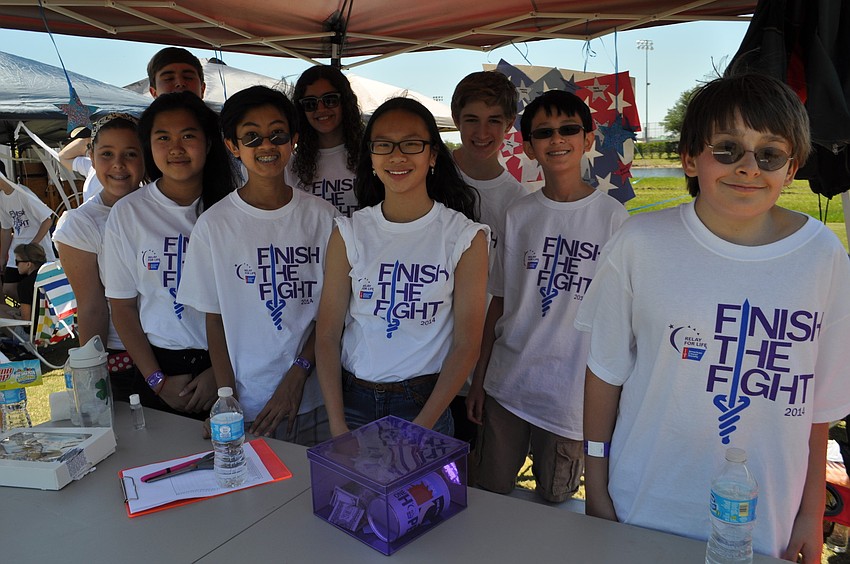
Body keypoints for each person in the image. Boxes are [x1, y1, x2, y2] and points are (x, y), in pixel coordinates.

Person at [576, 73, 850, 562]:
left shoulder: (823, 256)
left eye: (770, 154)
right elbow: (604, 374)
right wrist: (595, 489)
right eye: (727, 149)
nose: (749, 167)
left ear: (791, 170)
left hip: (762, 522)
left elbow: (819, 407)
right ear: (689, 157)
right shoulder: (640, 243)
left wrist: (810, 514)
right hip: (643, 503)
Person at [466, 90, 628, 502]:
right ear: (529, 146)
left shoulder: (614, 219)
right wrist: (479, 378)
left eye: (569, 129)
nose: (557, 140)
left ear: (588, 139)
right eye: (545, 132)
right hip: (508, 386)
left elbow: (621, 323)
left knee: (555, 504)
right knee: (489, 494)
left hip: (570, 399)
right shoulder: (519, 213)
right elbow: (499, 300)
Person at [315, 97, 489, 438]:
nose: (397, 156)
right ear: (372, 157)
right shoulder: (349, 231)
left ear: (433, 155)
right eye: (383, 145)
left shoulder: (465, 237)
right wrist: (337, 423)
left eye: (411, 144)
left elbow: (467, 343)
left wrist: (422, 428)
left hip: (425, 405)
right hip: (352, 402)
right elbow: (327, 334)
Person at [178, 85, 336, 445]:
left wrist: (298, 376)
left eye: (277, 134)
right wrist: (226, 398)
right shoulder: (214, 225)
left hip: (317, 397)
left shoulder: (323, 218)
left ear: (294, 139)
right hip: (247, 406)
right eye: (252, 137)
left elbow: (332, 314)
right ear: (233, 146)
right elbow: (214, 318)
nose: (267, 145)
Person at [103, 91, 235, 419]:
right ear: (149, 145)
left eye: (188, 135)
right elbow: (122, 306)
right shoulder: (128, 213)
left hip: (230, 366)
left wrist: (222, 375)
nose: (175, 148)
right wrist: (157, 381)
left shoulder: (233, 210)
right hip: (160, 367)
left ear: (208, 143)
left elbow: (246, 305)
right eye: (163, 137)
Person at [448, 70, 529, 443]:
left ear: (510, 124)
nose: (483, 132)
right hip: (416, 359)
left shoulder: (517, 201)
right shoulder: (430, 177)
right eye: (472, 120)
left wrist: (479, 373)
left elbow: (503, 295)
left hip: (475, 366)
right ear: (456, 120)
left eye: (494, 120)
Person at [53, 113, 146, 403]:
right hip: (123, 359)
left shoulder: (166, 208)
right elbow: (92, 306)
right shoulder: (80, 224)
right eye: (107, 154)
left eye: (131, 153)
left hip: (178, 351)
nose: (119, 164)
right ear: (91, 157)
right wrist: (93, 377)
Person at [58, 47, 205, 203]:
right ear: (153, 92)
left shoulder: (224, 135)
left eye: (188, 76)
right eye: (163, 138)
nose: (180, 84)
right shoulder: (130, 212)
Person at [286, 65, 363, 217]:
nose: (321, 109)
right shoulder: (291, 165)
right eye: (310, 103)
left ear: (344, 102)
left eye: (330, 100)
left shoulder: (369, 157)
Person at [0, 169, 56, 302]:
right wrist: (2, 257)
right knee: (9, 288)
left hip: (37, 252)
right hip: (17, 252)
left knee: (41, 289)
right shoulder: (1, 198)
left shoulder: (23, 193)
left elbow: (48, 220)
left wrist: (32, 245)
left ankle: (36, 313)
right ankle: (32, 312)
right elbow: (6, 229)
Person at [11, 242, 46, 321]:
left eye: (17, 262)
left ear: (28, 264)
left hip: (34, 332)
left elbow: (26, 322)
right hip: (53, 327)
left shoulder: (25, 285)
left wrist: (14, 316)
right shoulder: (49, 277)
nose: (16, 265)